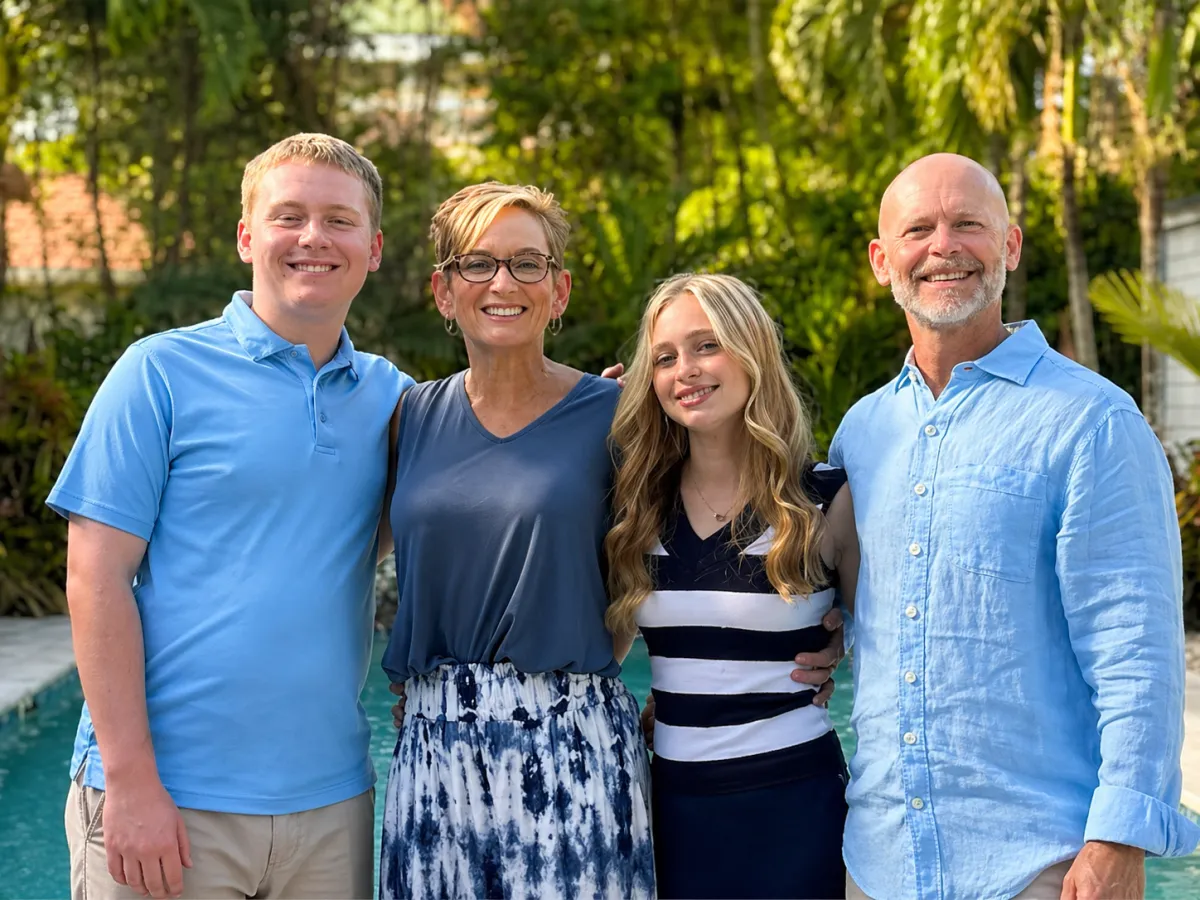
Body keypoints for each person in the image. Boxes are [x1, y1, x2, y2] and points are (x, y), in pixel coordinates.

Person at [826, 152, 1200, 899]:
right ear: (881, 260)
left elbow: (1137, 652)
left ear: (1011, 247)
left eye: (969, 224)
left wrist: (1117, 838)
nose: (944, 247)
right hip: (877, 864)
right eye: (918, 229)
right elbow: (849, 609)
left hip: (1040, 869)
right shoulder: (860, 434)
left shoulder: (1092, 422)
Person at [46, 133, 411, 900]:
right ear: (248, 236)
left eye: (339, 220)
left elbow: (489, 475)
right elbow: (95, 577)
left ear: (373, 249)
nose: (314, 237)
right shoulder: (159, 372)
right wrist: (133, 783)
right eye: (290, 216)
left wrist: (592, 415)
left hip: (332, 804)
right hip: (168, 802)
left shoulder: (394, 400)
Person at [376, 181, 656, 900]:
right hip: (434, 747)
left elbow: (673, 549)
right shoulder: (409, 417)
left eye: (527, 264)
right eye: (478, 263)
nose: (503, 282)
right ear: (444, 291)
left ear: (558, 291)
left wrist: (818, 621)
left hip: (574, 744)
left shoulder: (618, 415)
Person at [605, 273, 859, 899]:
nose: (684, 370)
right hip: (672, 812)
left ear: (752, 352)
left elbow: (885, 642)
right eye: (664, 358)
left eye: (706, 345)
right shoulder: (635, 508)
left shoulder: (825, 500)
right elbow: (595, 656)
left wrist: (842, 644)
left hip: (798, 806)